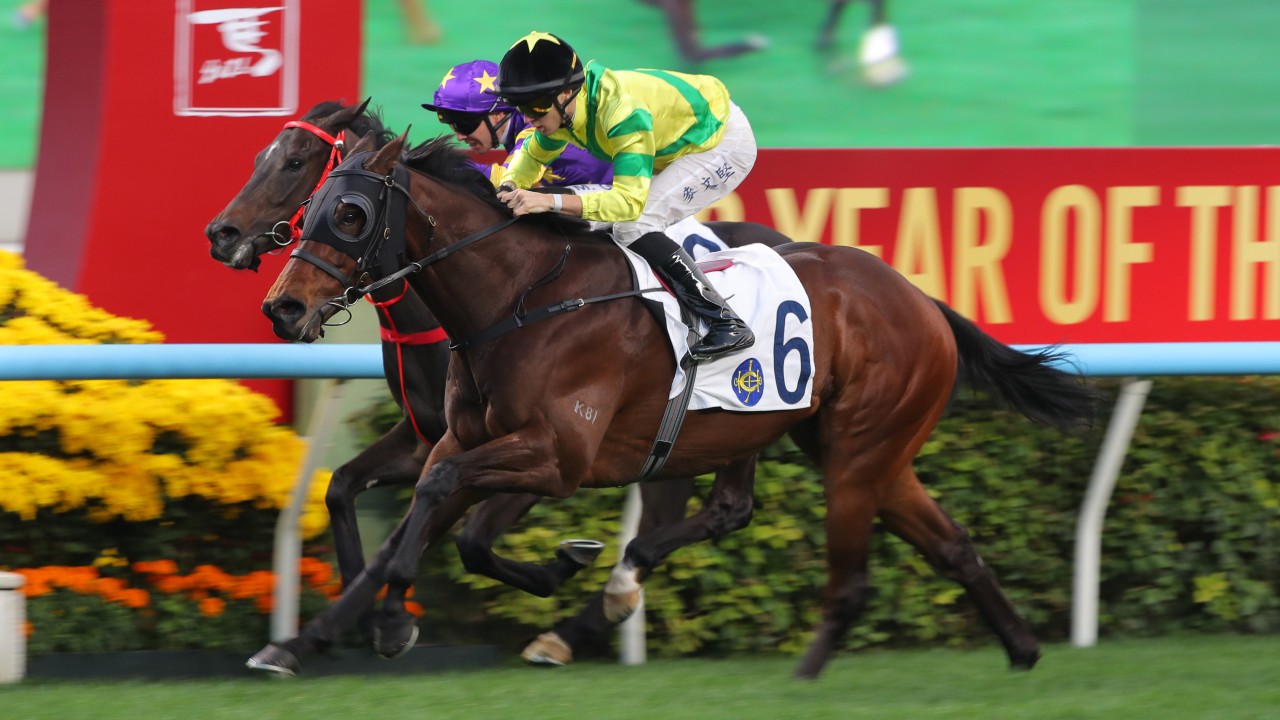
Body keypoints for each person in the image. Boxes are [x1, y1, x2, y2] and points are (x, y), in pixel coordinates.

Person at [493, 32, 757, 361]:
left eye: (535, 107)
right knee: (608, 226)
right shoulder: (561, 111)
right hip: (674, 139)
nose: (528, 117)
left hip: (720, 143)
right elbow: (532, 156)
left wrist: (548, 200)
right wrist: (509, 184)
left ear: (565, 94)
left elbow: (627, 205)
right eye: (520, 108)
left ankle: (725, 321)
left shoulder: (621, 112)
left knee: (634, 224)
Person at [421, 59, 612, 189]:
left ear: (498, 113)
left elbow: (505, 179)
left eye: (464, 124)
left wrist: (433, 166)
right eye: (452, 126)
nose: (459, 136)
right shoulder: (515, 128)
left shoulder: (536, 128)